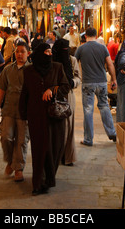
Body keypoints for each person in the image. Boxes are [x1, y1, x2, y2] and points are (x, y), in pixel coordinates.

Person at [19, 43, 70, 195]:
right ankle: (38, 183)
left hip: (55, 117)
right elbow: (25, 93)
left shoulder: (57, 67)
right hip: (36, 116)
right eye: (45, 52)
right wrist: (22, 114)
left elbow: (66, 87)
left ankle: (48, 178)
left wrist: (52, 90)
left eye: (50, 51)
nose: (48, 54)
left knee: (54, 148)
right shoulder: (29, 71)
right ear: (39, 53)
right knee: (39, 150)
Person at [0, 41, 30, 182]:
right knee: (6, 137)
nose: (19, 54)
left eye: (22, 52)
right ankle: (10, 161)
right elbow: (1, 90)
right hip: (8, 109)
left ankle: (18, 168)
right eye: (17, 51)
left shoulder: (31, 70)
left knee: (22, 140)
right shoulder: (8, 70)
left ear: (28, 53)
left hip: (25, 112)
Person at [75, 27, 117, 145]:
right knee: (104, 106)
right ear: (96, 35)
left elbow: (74, 63)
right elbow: (110, 64)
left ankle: (88, 139)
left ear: (85, 36)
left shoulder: (81, 49)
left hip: (88, 82)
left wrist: (77, 77)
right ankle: (112, 132)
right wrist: (114, 79)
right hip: (102, 82)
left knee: (88, 110)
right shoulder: (102, 47)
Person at [52, 38, 81, 166]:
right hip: (54, 96)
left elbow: (78, 77)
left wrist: (72, 82)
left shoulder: (72, 60)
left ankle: (68, 156)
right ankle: (56, 156)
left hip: (68, 95)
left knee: (69, 127)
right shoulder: (51, 61)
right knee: (56, 127)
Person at [114, 39, 125, 123]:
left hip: (121, 80)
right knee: (124, 105)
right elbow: (121, 63)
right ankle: (124, 123)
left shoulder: (122, 53)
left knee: (121, 103)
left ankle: (120, 123)